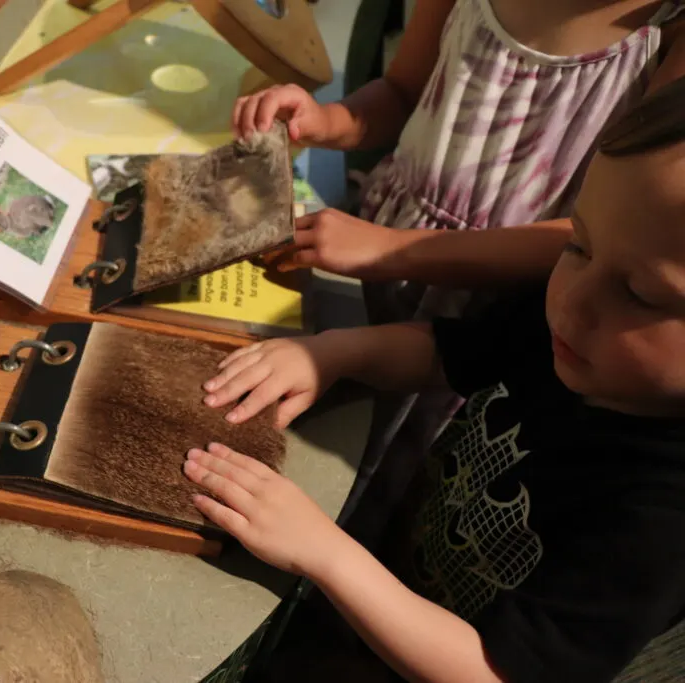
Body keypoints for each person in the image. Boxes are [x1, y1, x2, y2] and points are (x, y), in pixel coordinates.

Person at [187, 78, 685, 682]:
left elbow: (496, 673)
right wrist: (332, 353)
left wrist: (324, 553)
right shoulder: (576, 327)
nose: (572, 304)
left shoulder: (662, 518)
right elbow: (445, 352)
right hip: (383, 599)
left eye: (641, 293)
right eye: (577, 245)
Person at [235, 0, 685, 551]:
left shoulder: (670, 31)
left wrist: (395, 250)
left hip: (486, 305)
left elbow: (594, 238)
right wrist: (327, 120)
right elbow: (403, 91)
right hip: (372, 248)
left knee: (381, 474)